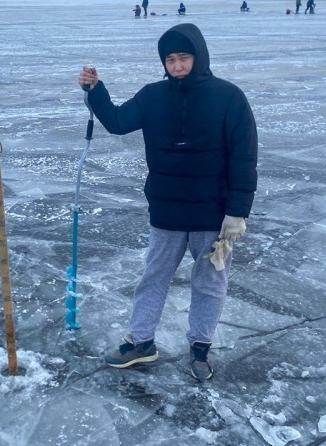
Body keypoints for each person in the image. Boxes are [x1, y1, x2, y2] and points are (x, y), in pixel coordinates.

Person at [77, 23, 257, 382]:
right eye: (170, 59)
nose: (177, 66)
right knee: (154, 276)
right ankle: (141, 343)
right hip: (167, 209)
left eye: (184, 58)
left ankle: (201, 347)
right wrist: (96, 91)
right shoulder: (152, 96)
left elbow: (243, 157)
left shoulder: (229, 97)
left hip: (212, 211)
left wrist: (237, 212)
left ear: (199, 57)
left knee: (209, 282)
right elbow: (116, 121)